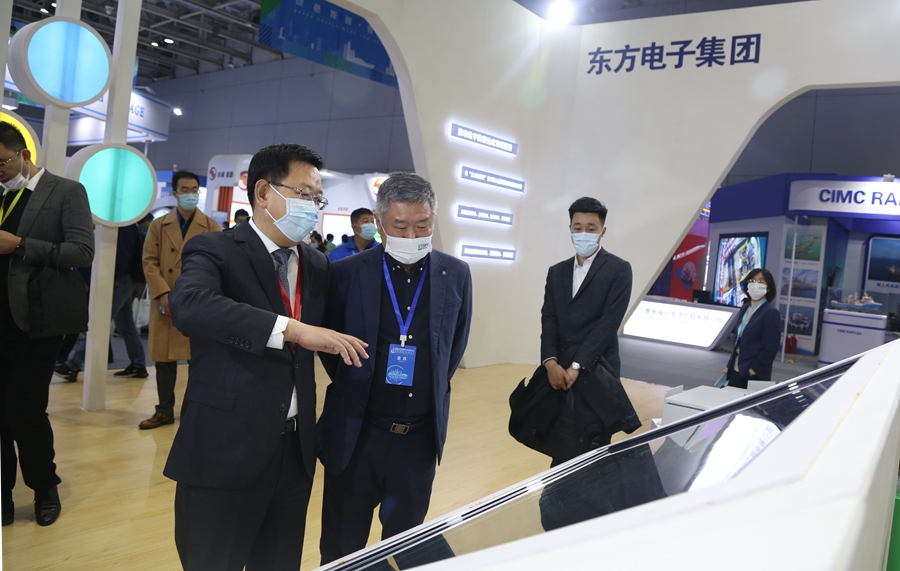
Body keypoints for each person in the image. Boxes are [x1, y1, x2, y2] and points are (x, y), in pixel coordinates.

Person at [165, 143, 368, 571]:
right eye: (304, 194)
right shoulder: (215, 249)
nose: (312, 207)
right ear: (263, 192)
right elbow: (190, 306)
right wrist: (292, 329)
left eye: (318, 198)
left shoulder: (316, 263)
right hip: (225, 448)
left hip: (294, 452)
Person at [317, 172, 473, 564]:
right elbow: (331, 350)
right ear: (379, 221)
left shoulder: (456, 274)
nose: (412, 235)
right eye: (400, 226)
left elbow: (453, 347)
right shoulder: (346, 274)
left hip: (417, 442)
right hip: (358, 435)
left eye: (423, 225)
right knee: (341, 547)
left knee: (405, 549)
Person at [0, 121, 94, 526]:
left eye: (2, 163)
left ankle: (44, 487)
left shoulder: (66, 191)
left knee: (27, 412)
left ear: (24, 155)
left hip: (36, 321)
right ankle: (2, 494)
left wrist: (20, 245)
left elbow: (82, 251)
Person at [539, 197, 641, 467]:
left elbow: (608, 324)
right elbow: (549, 319)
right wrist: (550, 362)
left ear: (602, 231)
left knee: (593, 452)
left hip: (597, 372)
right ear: (570, 229)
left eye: (591, 228)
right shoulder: (557, 272)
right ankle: (558, 494)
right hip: (559, 375)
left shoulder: (619, 269)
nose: (583, 233)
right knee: (561, 448)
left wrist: (577, 366)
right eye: (578, 227)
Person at [140, 171, 221, 429]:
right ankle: (164, 410)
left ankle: (196, 412)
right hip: (165, 302)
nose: (190, 194)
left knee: (199, 360)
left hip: (197, 302)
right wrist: (163, 293)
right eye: (184, 190)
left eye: (194, 189)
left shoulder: (211, 226)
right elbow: (149, 261)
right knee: (164, 360)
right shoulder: (158, 225)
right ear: (175, 193)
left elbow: (219, 266)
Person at [723, 268, 780, 389]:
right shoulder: (745, 308)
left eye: (761, 281)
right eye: (752, 281)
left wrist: (753, 369)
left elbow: (770, 349)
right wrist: (730, 365)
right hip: (735, 370)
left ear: (768, 288)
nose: (755, 284)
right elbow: (739, 341)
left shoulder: (770, 313)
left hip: (753, 375)